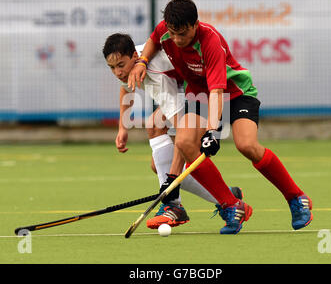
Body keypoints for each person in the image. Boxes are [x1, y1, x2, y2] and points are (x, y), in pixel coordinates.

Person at [128, 0, 313, 234]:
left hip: (235, 93)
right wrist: (142, 61)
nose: (176, 39)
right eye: (173, 33)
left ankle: (296, 197)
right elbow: (154, 40)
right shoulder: (167, 29)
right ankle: (231, 205)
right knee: (184, 142)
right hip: (199, 95)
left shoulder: (210, 41)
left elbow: (217, 91)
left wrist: (211, 131)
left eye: (182, 34)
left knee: (247, 145)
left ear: (195, 25)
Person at [102, 33, 243, 229]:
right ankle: (227, 197)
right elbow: (126, 88)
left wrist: (170, 184)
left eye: (120, 66)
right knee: (159, 164)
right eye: (112, 68)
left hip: (211, 95)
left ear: (135, 56)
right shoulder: (132, 64)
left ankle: (174, 206)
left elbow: (182, 128)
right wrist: (122, 128)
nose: (117, 73)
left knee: (164, 141)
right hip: (186, 93)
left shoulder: (155, 73)